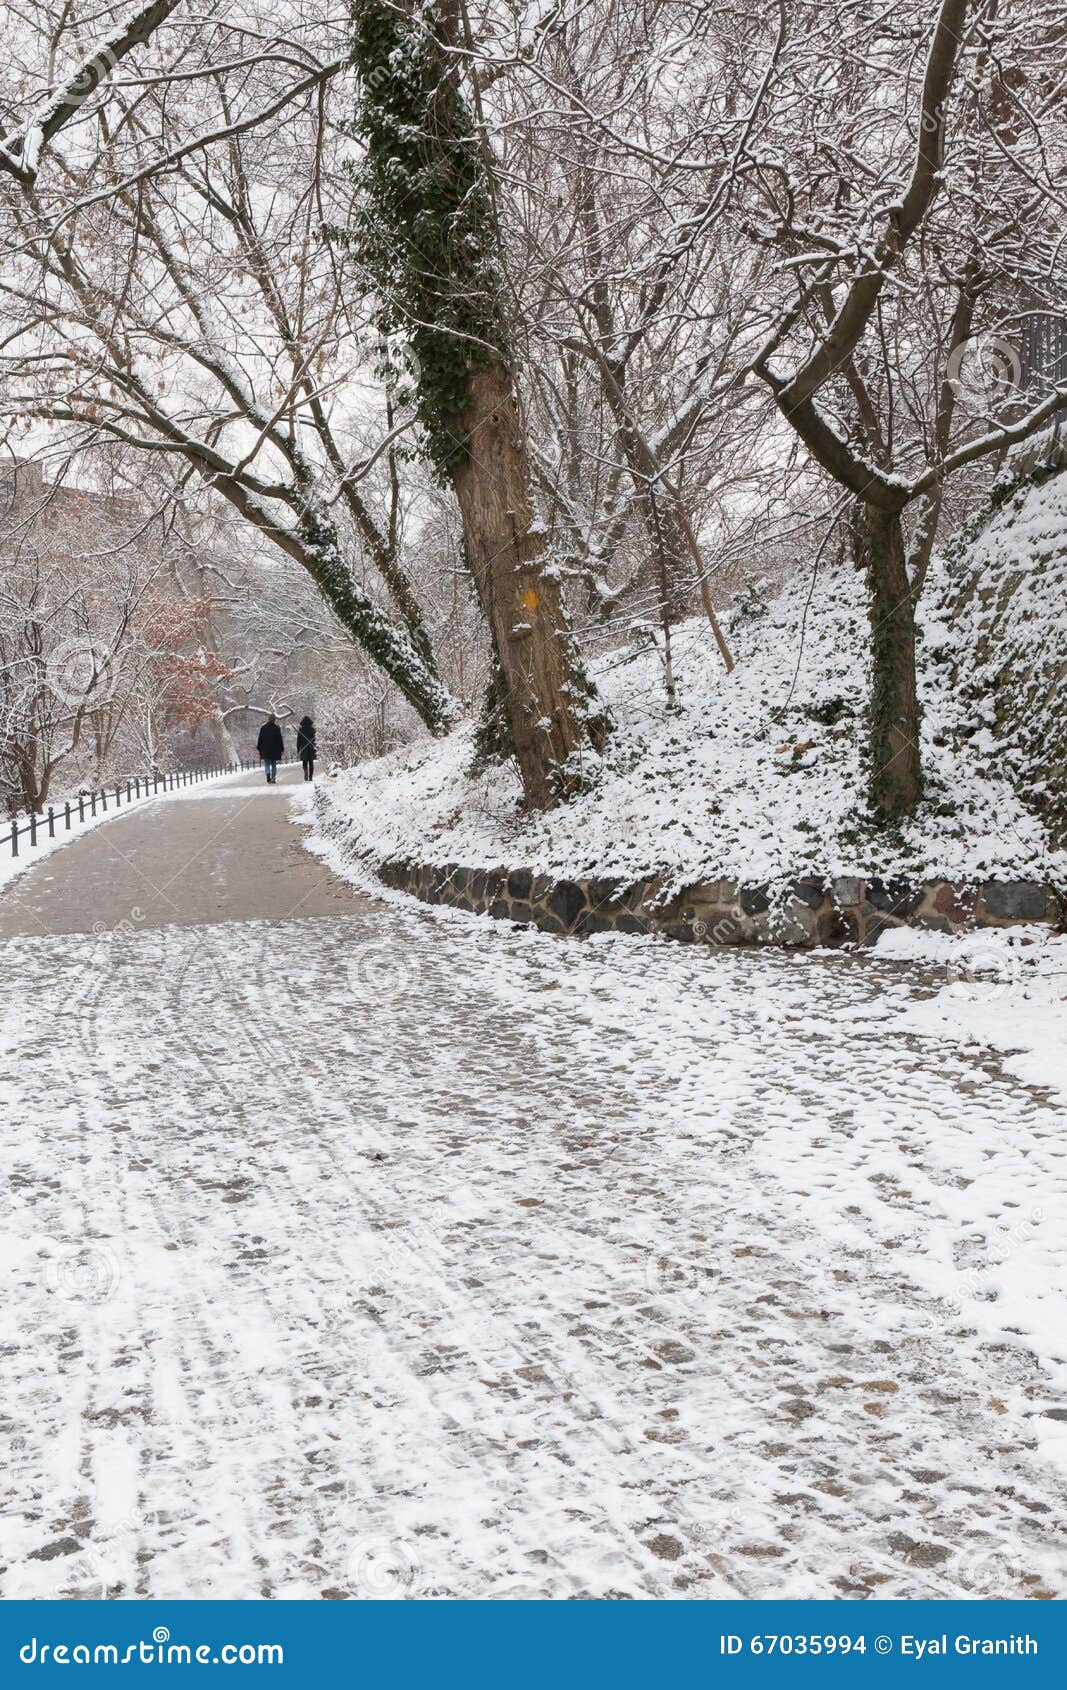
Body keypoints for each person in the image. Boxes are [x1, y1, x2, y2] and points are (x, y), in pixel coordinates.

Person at [256, 713, 284, 783]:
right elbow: (280, 739)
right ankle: (273, 779)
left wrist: (258, 747)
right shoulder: (277, 728)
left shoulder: (263, 728)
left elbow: (260, 739)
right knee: (274, 764)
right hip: (275, 750)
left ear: (268, 719)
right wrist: (282, 748)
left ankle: (268, 774)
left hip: (265, 749)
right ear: (274, 720)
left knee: (267, 763)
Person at [296, 715, 317, 782]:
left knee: (304, 762)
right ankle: (310, 776)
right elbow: (315, 739)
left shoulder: (301, 730)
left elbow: (298, 740)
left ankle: (305, 771)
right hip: (311, 747)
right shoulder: (313, 730)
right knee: (311, 762)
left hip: (303, 747)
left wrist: (298, 749)